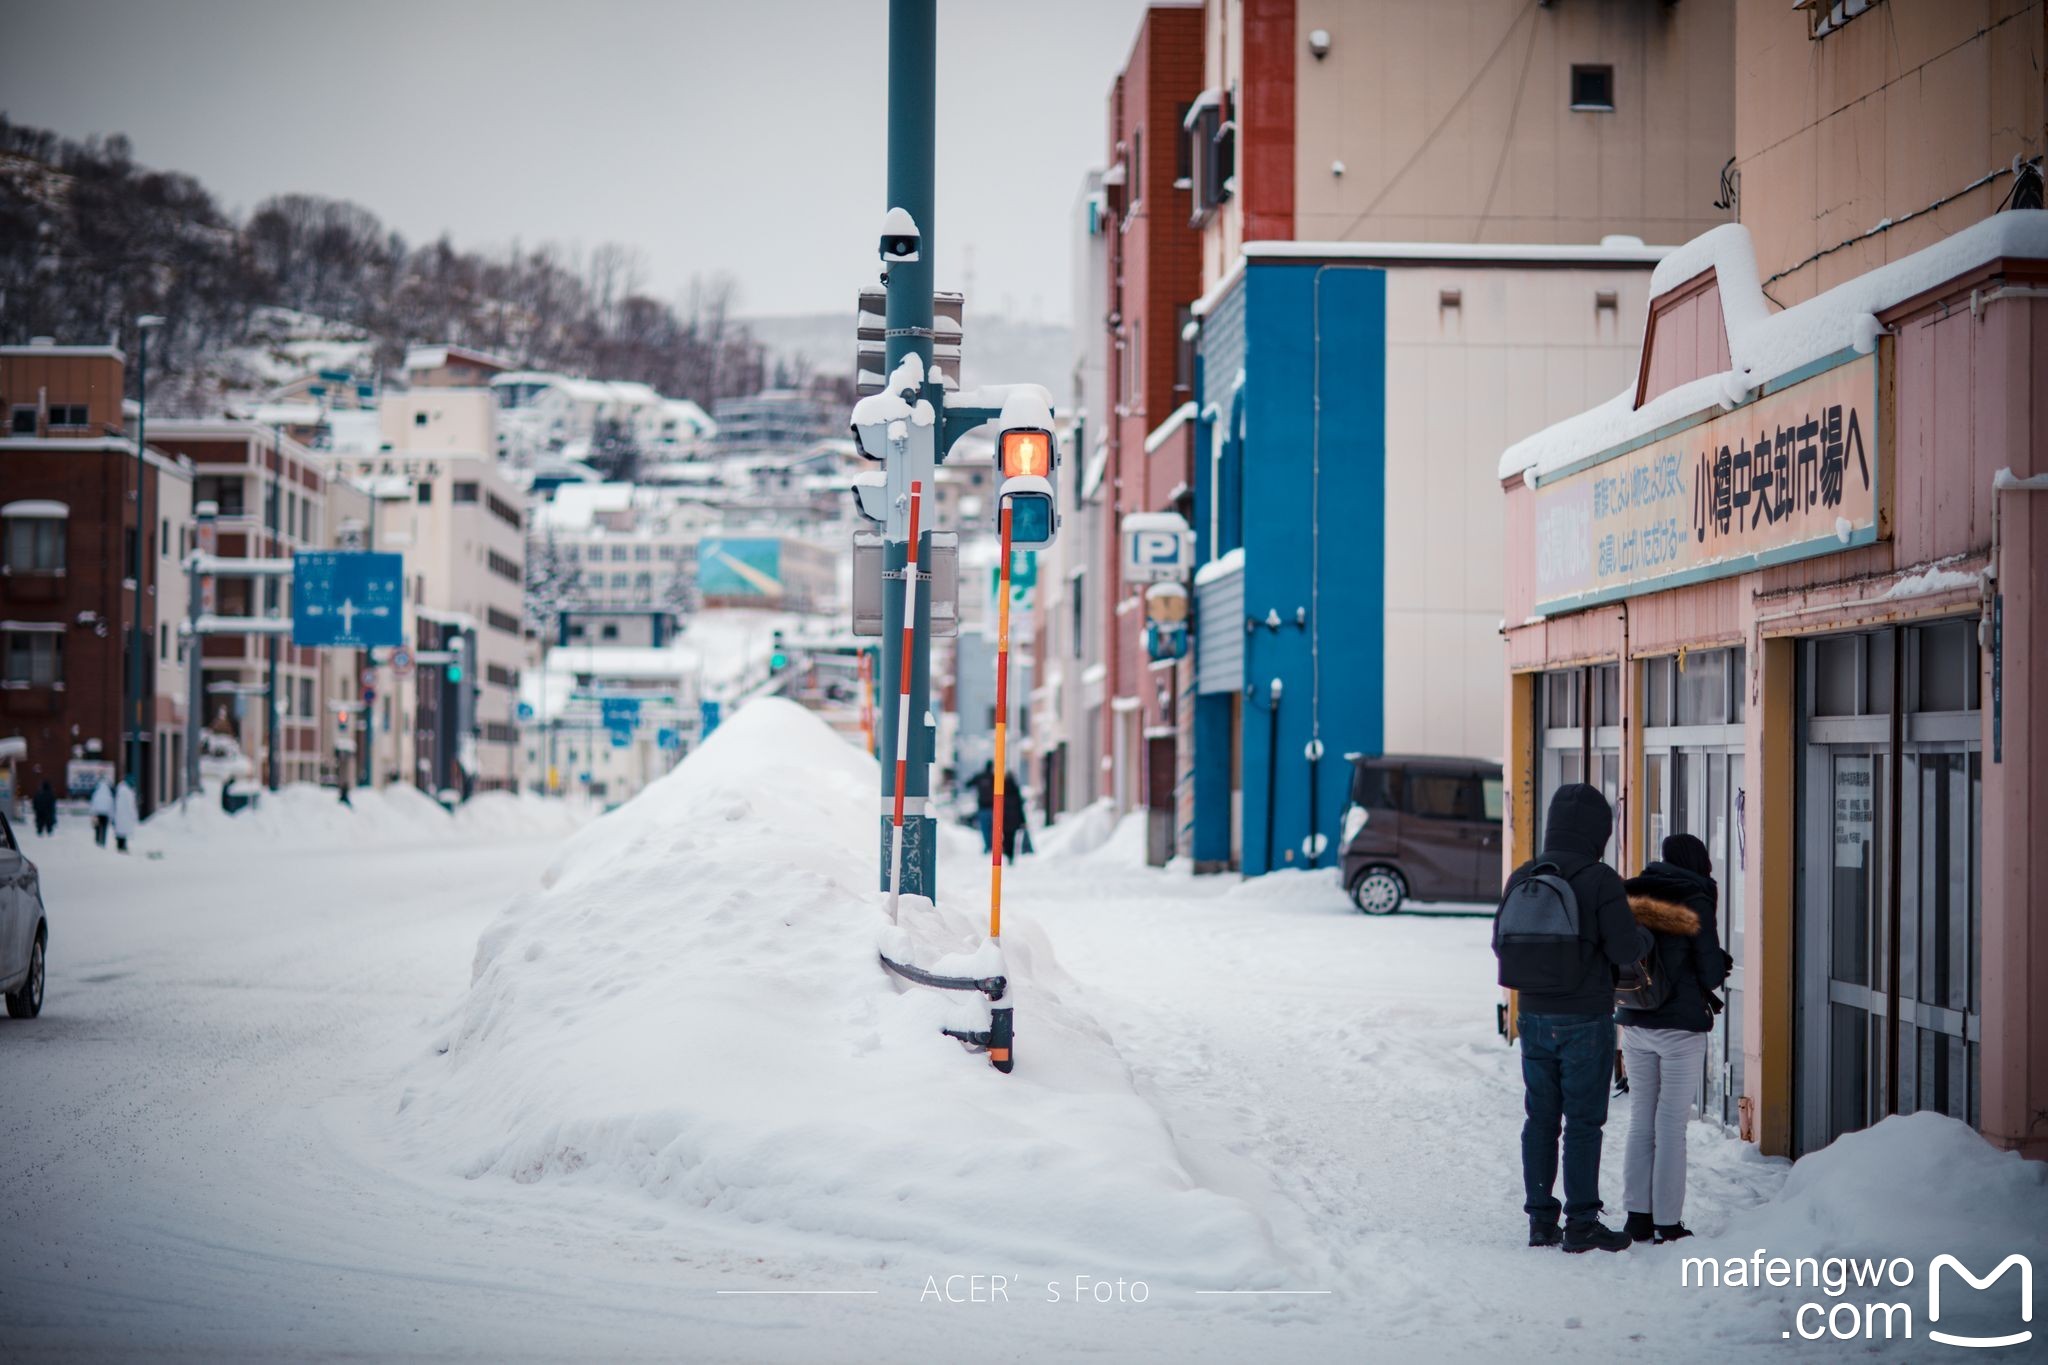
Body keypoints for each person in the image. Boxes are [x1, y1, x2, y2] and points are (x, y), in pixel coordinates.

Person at [1497, 783, 1652, 1254]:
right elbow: (1625, 949)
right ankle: (1582, 1222)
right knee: (1584, 1122)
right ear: (1598, 831)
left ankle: (1541, 1221)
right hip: (1584, 1016)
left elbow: (1500, 942)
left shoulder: (1525, 873)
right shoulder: (1600, 879)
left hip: (1535, 1015)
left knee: (1540, 1118)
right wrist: (1645, 936)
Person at [1617, 832, 1730, 1245]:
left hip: (1635, 1020)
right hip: (1680, 1029)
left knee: (1640, 1120)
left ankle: (1637, 1218)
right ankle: (1667, 1222)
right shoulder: (1695, 898)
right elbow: (1710, 973)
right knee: (1670, 1125)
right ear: (1700, 863)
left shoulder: (1633, 892)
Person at [1000, 772, 1026, 865]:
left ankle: (1007, 853)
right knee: (1013, 838)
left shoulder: (1002, 790)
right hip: (1014, 819)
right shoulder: (1016, 790)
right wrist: (1023, 821)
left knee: (1006, 838)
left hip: (1004, 819)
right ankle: (1011, 855)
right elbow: (1020, 807)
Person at [970, 762, 996, 854]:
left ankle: (987, 846)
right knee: (994, 828)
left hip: (982, 807)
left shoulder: (979, 776)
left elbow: (968, 784)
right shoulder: (994, 777)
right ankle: (993, 846)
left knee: (985, 829)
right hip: (993, 808)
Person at [112, 776, 140, 854]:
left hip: (121, 815)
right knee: (123, 832)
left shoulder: (121, 790)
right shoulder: (126, 791)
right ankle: (122, 847)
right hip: (124, 815)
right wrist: (134, 815)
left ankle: (121, 847)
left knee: (121, 832)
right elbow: (130, 806)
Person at [89, 776, 114, 847]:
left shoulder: (96, 793)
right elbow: (111, 806)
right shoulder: (109, 794)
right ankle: (103, 841)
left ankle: (97, 840)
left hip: (97, 813)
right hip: (105, 814)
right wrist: (111, 816)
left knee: (97, 828)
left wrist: (92, 813)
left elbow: (93, 803)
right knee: (104, 828)